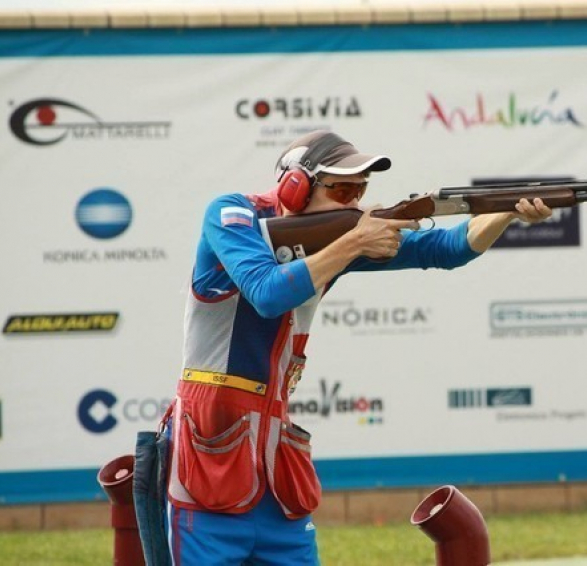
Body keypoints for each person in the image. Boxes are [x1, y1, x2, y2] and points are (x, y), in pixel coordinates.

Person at [164, 130, 552, 564]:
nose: (354, 202)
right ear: (296, 184)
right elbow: (267, 292)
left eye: (361, 190)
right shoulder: (231, 212)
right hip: (210, 447)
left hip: (276, 460)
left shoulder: (335, 241)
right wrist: (354, 243)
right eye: (343, 188)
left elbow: (446, 248)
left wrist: (504, 212)